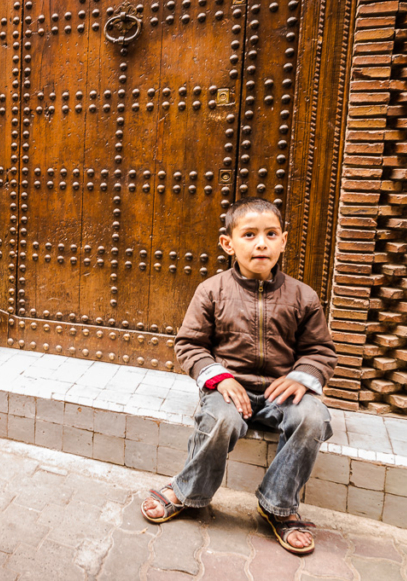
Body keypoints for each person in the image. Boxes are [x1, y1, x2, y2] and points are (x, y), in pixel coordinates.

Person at [140, 197, 337, 555]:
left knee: (313, 417)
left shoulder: (303, 297)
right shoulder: (212, 291)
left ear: (284, 240)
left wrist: (302, 376)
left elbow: (320, 351)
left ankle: (278, 505)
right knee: (220, 420)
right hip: (229, 390)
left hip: (283, 393)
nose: (261, 243)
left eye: (270, 234)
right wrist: (220, 378)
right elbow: (190, 345)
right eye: (249, 234)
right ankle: (188, 491)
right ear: (228, 244)